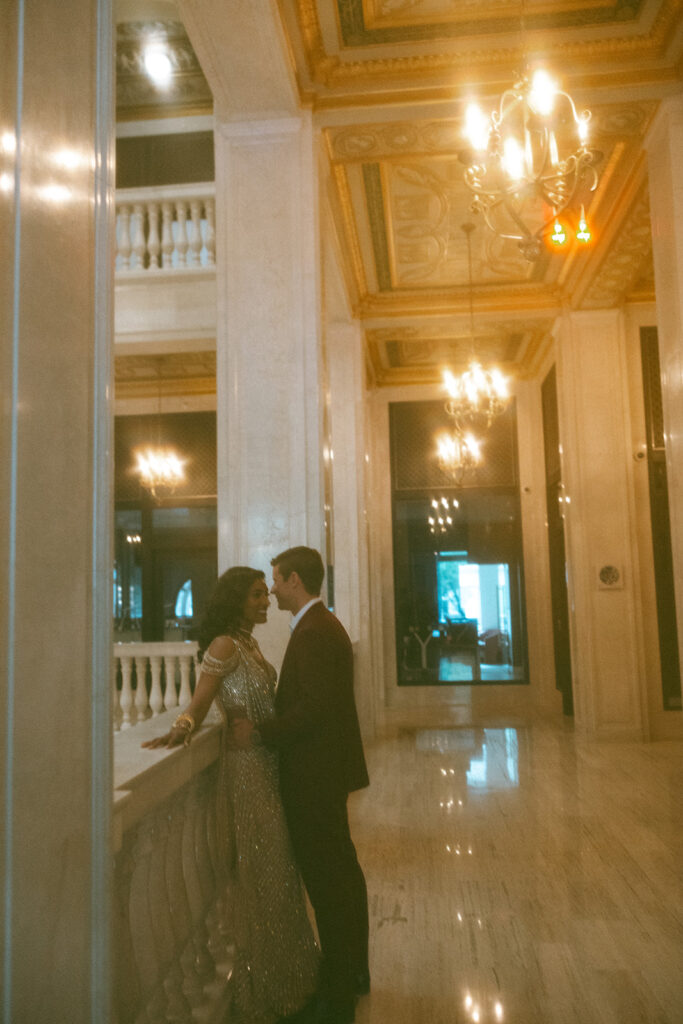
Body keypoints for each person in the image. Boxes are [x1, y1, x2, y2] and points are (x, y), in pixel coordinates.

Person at [143, 566, 319, 1024]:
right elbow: (200, 703)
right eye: (257, 596)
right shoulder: (224, 645)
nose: (266, 602)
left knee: (280, 871)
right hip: (246, 774)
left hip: (266, 763)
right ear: (236, 600)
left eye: (267, 594)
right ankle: (266, 989)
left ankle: (292, 980)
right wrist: (179, 730)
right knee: (263, 873)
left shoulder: (250, 643)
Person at [231, 547, 370, 1024]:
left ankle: (338, 990)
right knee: (341, 873)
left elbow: (312, 710)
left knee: (328, 881)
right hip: (325, 771)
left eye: (275, 580)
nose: (270, 589)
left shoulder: (312, 632)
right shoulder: (320, 625)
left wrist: (261, 733)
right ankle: (353, 972)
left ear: (294, 580)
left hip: (313, 774)